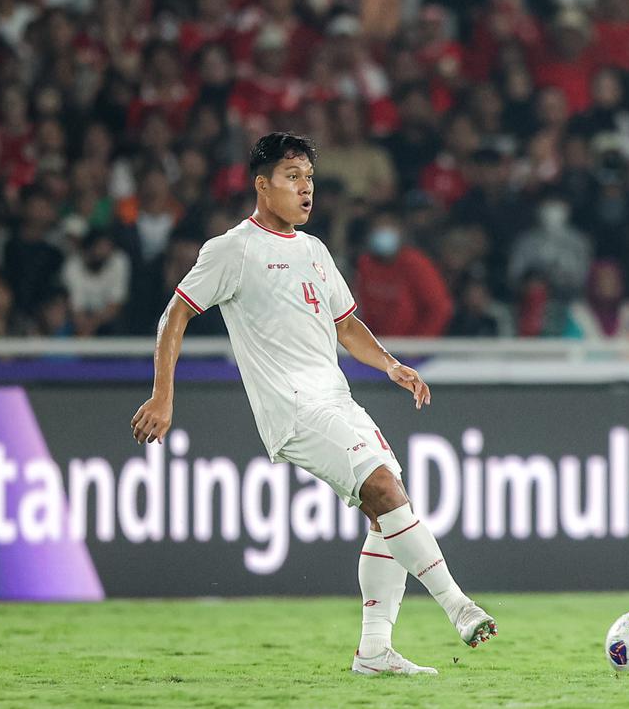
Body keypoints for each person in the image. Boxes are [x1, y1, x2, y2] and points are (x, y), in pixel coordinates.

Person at [129, 133, 495, 677]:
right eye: (293, 177)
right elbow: (175, 316)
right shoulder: (232, 249)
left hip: (336, 398)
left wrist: (391, 365)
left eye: (310, 179)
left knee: (386, 514)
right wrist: (163, 393)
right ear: (262, 185)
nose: (306, 190)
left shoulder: (315, 250)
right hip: (293, 407)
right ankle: (458, 606)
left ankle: (374, 652)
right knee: (386, 489)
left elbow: (346, 324)